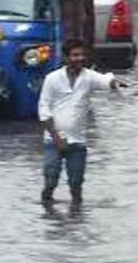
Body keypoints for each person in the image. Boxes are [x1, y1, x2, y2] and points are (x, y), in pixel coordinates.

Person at [38, 39, 125, 206]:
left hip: (77, 141)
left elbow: (105, 80)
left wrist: (114, 82)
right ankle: (47, 206)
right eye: (75, 55)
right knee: (51, 176)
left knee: (76, 183)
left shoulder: (88, 77)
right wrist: (56, 138)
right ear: (65, 57)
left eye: (82, 55)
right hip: (53, 140)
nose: (80, 58)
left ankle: (76, 216)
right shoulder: (52, 79)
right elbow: (44, 110)